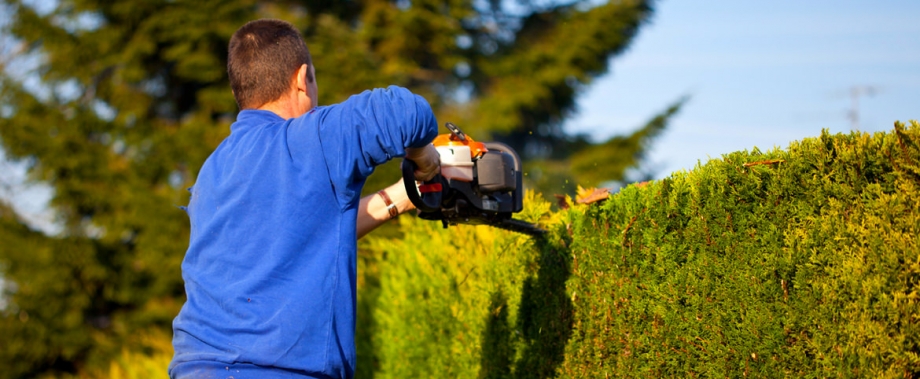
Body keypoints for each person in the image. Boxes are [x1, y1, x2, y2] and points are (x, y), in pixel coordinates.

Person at [169, 19, 440, 379]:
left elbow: (310, 233)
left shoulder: (215, 169)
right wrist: (425, 161)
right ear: (301, 78)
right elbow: (406, 112)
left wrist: (404, 196)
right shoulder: (310, 140)